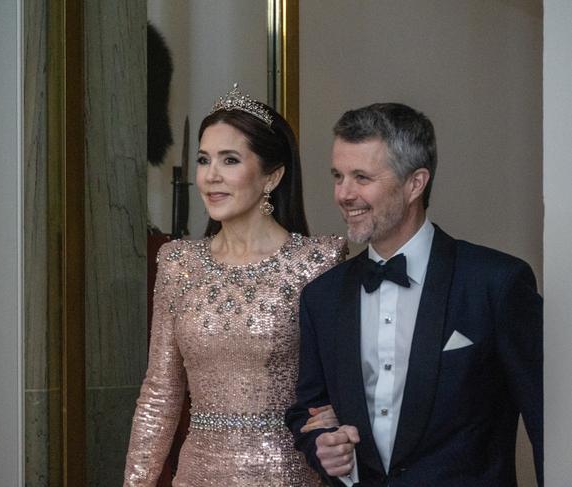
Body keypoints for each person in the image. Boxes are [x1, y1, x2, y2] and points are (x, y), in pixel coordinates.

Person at [285, 103, 543, 486]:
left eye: (362, 177)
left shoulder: (497, 283)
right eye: (338, 176)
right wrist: (322, 444)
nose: (343, 193)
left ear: (415, 183)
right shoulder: (321, 297)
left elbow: (548, 421)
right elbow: (309, 409)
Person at [123, 84, 347, 486]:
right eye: (204, 160)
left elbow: (343, 382)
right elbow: (160, 393)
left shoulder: (318, 262)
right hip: (197, 475)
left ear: (272, 176)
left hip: (287, 474)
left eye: (229, 160)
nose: (211, 176)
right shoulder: (178, 263)